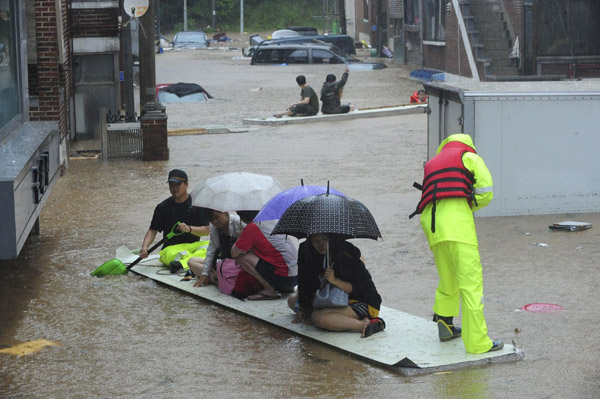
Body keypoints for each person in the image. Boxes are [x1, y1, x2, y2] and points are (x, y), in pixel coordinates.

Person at [409, 133, 504, 353]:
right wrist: (468, 206)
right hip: (457, 224)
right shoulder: (469, 157)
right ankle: (478, 343)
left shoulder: (433, 162)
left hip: (431, 224)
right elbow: (486, 191)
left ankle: (445, 323)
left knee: (448, 277)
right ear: (468, 144)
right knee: (471, 285)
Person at [289, 233, 385, 338]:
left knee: (318, 317)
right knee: (292, 301)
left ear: (331, 239)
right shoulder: (308, 251)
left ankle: (366, 325)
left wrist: (334, 280)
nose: (320, 244)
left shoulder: (344, 254)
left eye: (324, 239)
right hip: (336, 299)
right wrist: (304, 308)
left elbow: (357, 289)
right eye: (315, 240)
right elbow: (305, 280)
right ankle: (361, 318)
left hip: (362, 300)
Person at [139, 169, 210, 272]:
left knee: (210, 247)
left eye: (177, 185)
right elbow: (152, 231)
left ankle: (182, 264)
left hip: (192, 247)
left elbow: (206, 230)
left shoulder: (197, 205)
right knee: (167, 255)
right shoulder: (162, 207)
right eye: (171, 185)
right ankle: (189, 263)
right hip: (172, 250)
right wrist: (145, 247)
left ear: (186, 185)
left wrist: (189, 229)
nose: (174, 188)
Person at [231, 211, 298, 299]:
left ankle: (269, 289)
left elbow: (234, 253)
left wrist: (239, 237)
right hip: (295, 278)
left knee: (242, 257)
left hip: (284, 279)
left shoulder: (252, 227)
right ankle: (285, 288)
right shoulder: (271, 221)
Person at [189, 209, 244, 287]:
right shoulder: (213, 227)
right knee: (191, 261)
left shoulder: (238, 223)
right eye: (211, 220)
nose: (214, 222)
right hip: (221, 261)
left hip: (234, 264)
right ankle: (217, 279)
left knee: (217, 270)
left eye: (217, 217)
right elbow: (211, 250)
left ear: (224, 212)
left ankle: (217, 280)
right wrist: (205, 273)